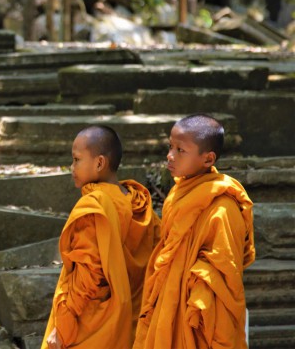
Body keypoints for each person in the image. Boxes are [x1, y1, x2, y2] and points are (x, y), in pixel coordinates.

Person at [133, 114, 255, 349]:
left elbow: (224, 275)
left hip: (198, 317)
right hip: (168, 303)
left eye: (181, 150)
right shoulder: (178, 194)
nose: (170, 156)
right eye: (170, 147)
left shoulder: (222, 209)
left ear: (208, 158)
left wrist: (194, 298)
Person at [43, 125, 161, 349]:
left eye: (77, 160)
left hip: (93, 325)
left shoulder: (95, 206)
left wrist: (63, 327)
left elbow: (88, 276)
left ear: (99, 163)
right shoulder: (142, 206)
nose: (72, 167)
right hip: (133, 324)